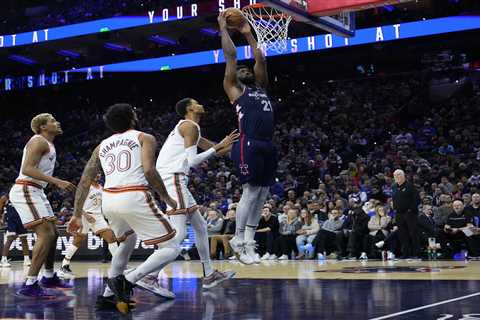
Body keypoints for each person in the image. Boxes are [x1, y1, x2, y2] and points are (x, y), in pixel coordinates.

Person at [68, 103, 180, 314]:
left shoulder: (101, 146)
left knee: (126, 243)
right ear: (132, 117)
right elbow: (149, 170)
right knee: (172, 247)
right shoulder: (144, 137)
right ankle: (127, 281)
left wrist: (75, 214)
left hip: (109, 200)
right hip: (133, 194)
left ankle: (107, 298)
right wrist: (166, 197)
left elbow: (84, 181)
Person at [156, 97, 236, 289]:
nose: (201, 103)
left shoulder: (190, 129)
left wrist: (242, 146)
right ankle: (148, 274)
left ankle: (209, 275)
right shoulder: (189, 126)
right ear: (189, 109)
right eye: (196, 102)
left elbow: (214, 150)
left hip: (174, 178)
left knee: (200, 226)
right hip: (172, 177)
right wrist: (219, 146)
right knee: (181, 232)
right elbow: (193, 160)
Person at [218, 11, 277, 265]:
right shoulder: (234, 88)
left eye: (246, 68)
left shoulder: (260, 86)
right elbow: (231, 56)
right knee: (250, 191)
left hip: (267, 144)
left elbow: (260, 58)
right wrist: (223, 27)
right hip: (248, 142)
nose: (244, 69)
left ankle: (250, 242)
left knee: (263, 193)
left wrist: (247, 33)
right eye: (240, 69)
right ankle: (238, 239)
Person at [9, 113, 75, 297]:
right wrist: (57, 181)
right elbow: (27, 169)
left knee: (53, 234)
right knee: (45, 234)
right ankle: (30, 284)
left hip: (37, 190)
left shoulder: (49, 144)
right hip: (26, 188)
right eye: (53, 121)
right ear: (43, 127)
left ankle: (48, 276)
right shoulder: (38, 141)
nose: (58, 122)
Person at [58, 174, 118, 278]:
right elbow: (77, 203)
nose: (97, 175)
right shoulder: (85, 186)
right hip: (84, 216)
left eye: (98, 173)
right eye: (95, 172)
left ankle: (119, 265)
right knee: (77, 241)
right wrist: (85, 215)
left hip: (98, 216)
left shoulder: (101, 187)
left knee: (111, 237)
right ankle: (64, 266)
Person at [392, 169, 420, 259]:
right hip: (399, 214)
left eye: (399, 174)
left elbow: (416, 199)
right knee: (402, 234)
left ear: (404, 176)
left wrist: (410, 210)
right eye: (395, 175)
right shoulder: (394, 187)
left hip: (409, 213)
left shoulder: (410, 186)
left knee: (413, 233)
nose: (397, 176)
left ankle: (416, 253)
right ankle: (405, 254)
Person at [0, 193, 31, 267]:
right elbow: (1, 209)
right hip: (11, 221)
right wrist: (1, 220)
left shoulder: (23, 197)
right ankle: (3, 260)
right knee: (10, 238)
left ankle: (26, 260)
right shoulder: (5, 197)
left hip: (21, 220)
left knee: (24, 239)